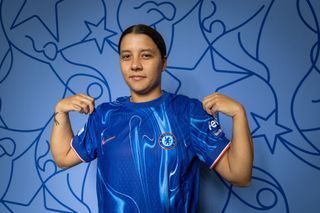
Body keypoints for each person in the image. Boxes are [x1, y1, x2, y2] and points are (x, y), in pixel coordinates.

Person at [50, 24, 253, 212]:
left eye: (146, 56)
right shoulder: (104, 116)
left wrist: (239, 114)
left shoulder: (189, 113)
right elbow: (63, 157)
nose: (135, 65)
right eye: (126, 56)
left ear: (163, 62)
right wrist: (60, 111)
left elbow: (240, 175)